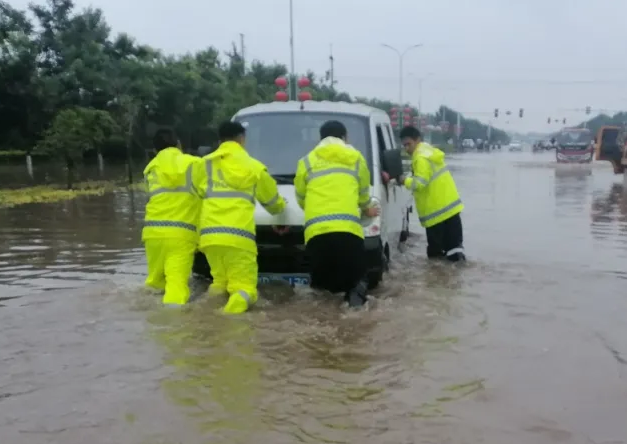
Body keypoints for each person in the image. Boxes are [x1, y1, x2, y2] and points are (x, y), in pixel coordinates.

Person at [192, 120, 286, 314]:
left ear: (220, 140)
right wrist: (281, 208)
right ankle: (226, 319)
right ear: (242, 139)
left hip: (209, 238)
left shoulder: (205, 165)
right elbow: (272, 203)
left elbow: (196, 195)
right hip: (238, 237)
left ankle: (202, 315)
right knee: (245, 290)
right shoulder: (254, 167)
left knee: (220, 282)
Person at [294, 120, 379, 308]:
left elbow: (301, 198)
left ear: (321, 138)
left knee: (321, 290)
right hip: (348, 232)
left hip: (316, 235)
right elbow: (363, 193)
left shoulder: (306, 161)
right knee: (356, 283)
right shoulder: (356, 158)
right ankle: (354, 321)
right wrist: (367, 208)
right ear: (344, 137)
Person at [141, 128, 202, 306]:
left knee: (155, 284)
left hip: (153, 234)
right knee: (177, 287)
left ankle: (149, 321)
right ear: (178, 144)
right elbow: (208, 193)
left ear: (154, 150)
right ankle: (172, 328)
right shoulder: (194, 164)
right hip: (181, 235)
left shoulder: (150, 169)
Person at [398, 126, 466, 262]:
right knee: (455, 251)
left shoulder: (420, 157)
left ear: (417, 140)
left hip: (436, 214)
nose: (406, 149)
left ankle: (436, 281)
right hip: (451, 210)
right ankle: (456, 281)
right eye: (404, 145)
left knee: (436, 257)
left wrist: (404, 180)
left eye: (408, 144)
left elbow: (419, 183)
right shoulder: (430, 153)